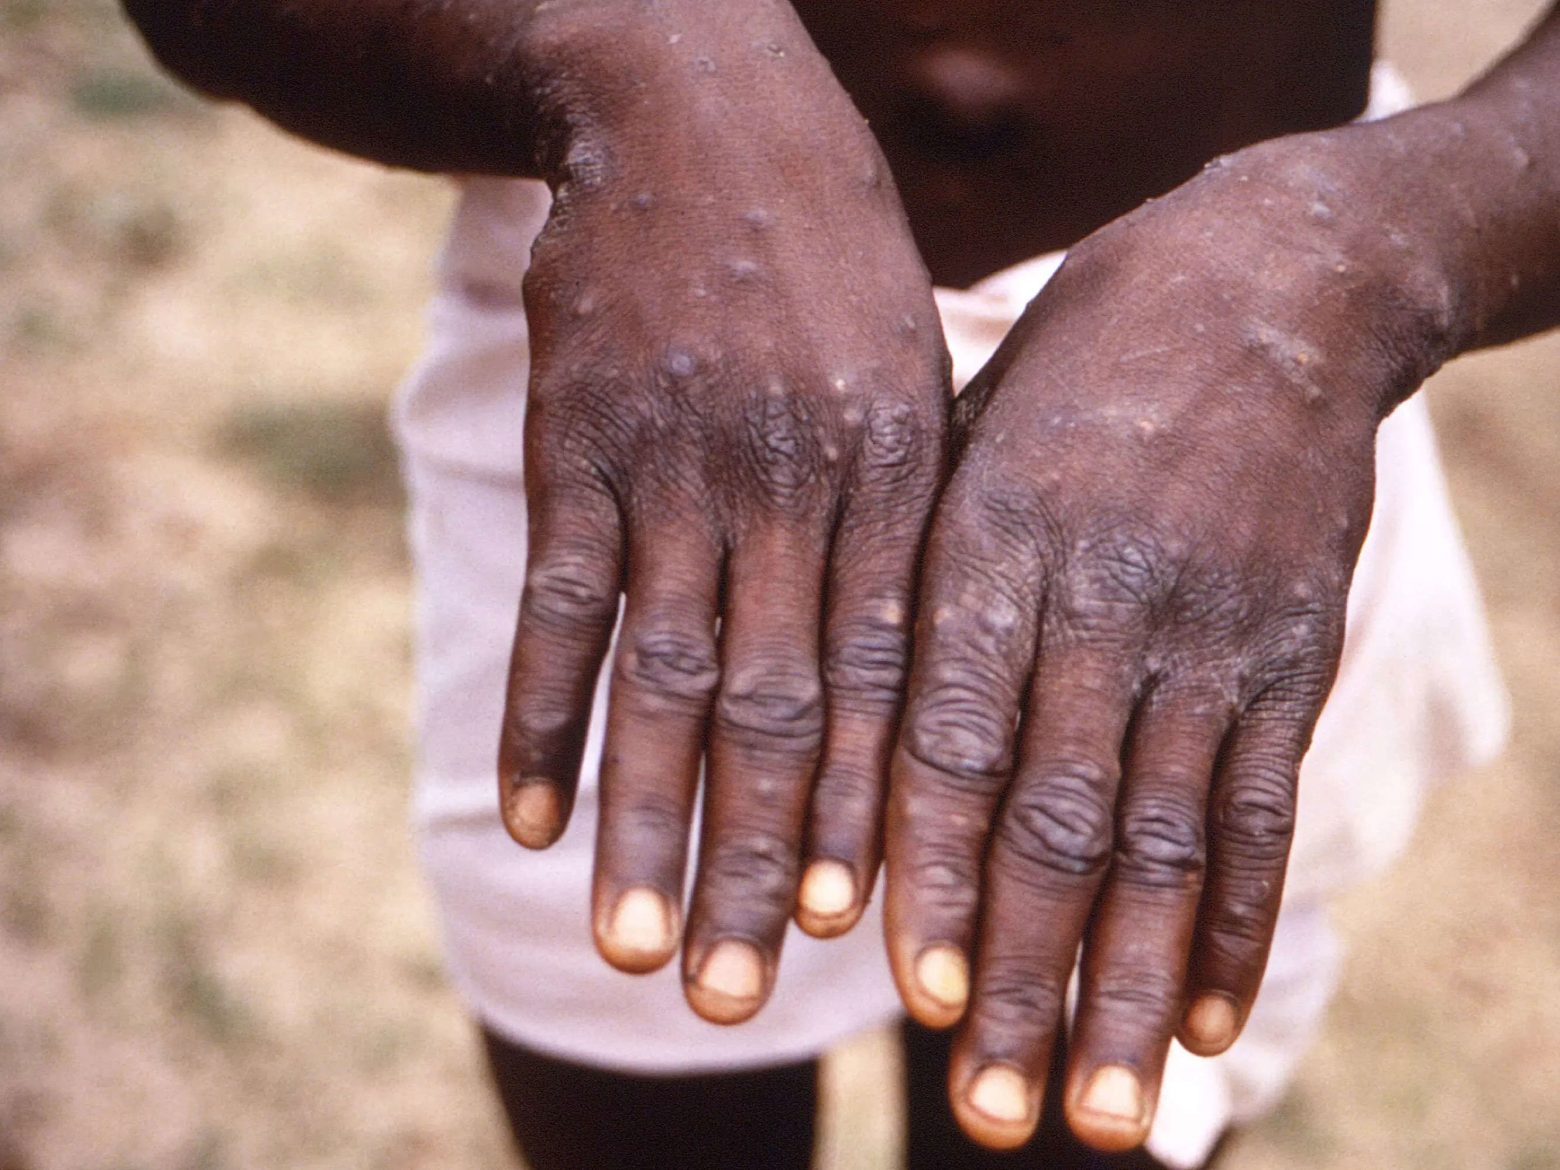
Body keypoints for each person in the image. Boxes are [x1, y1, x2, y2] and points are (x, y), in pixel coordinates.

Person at [119, 1, 1555, 1166]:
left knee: (1076, 1100)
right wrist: (615, 51)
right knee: (630, 1083)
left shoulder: (1303, 306)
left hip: (1223, 416)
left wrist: (1353, 257)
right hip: (657, 339)